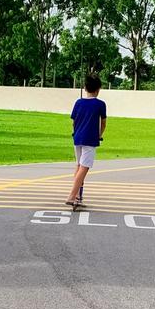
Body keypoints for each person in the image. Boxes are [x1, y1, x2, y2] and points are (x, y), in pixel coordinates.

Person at [65, 73, 106, 208]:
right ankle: (71, 196)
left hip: (77, 137)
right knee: (84, 168)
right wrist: (99, 135)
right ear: (98, 89)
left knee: (78, 166)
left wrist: (76, 132)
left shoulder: (78, 102)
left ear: (85, 88)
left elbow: (74, 122)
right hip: (90, 140)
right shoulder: (100, 104)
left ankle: (77, 197)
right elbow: (103, 124)